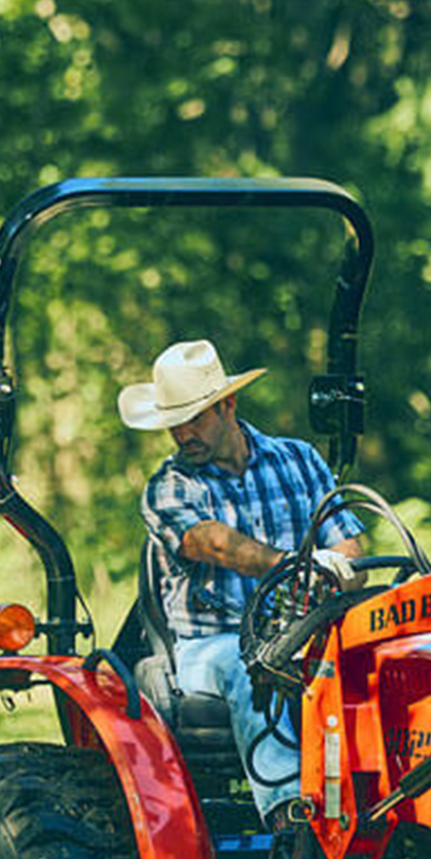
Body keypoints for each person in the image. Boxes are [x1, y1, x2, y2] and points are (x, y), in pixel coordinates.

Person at [119, 339, 364, 832]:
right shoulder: (170, 487)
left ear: (228, 404)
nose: (182, 433)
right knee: (251, 667)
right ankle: (293, 825)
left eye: (195, 417)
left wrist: (337, 570)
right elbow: (214, 543)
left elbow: (350, 546)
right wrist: (296, 568)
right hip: (212, 645)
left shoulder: (299, 461)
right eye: (174, 420)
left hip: (309, 632)